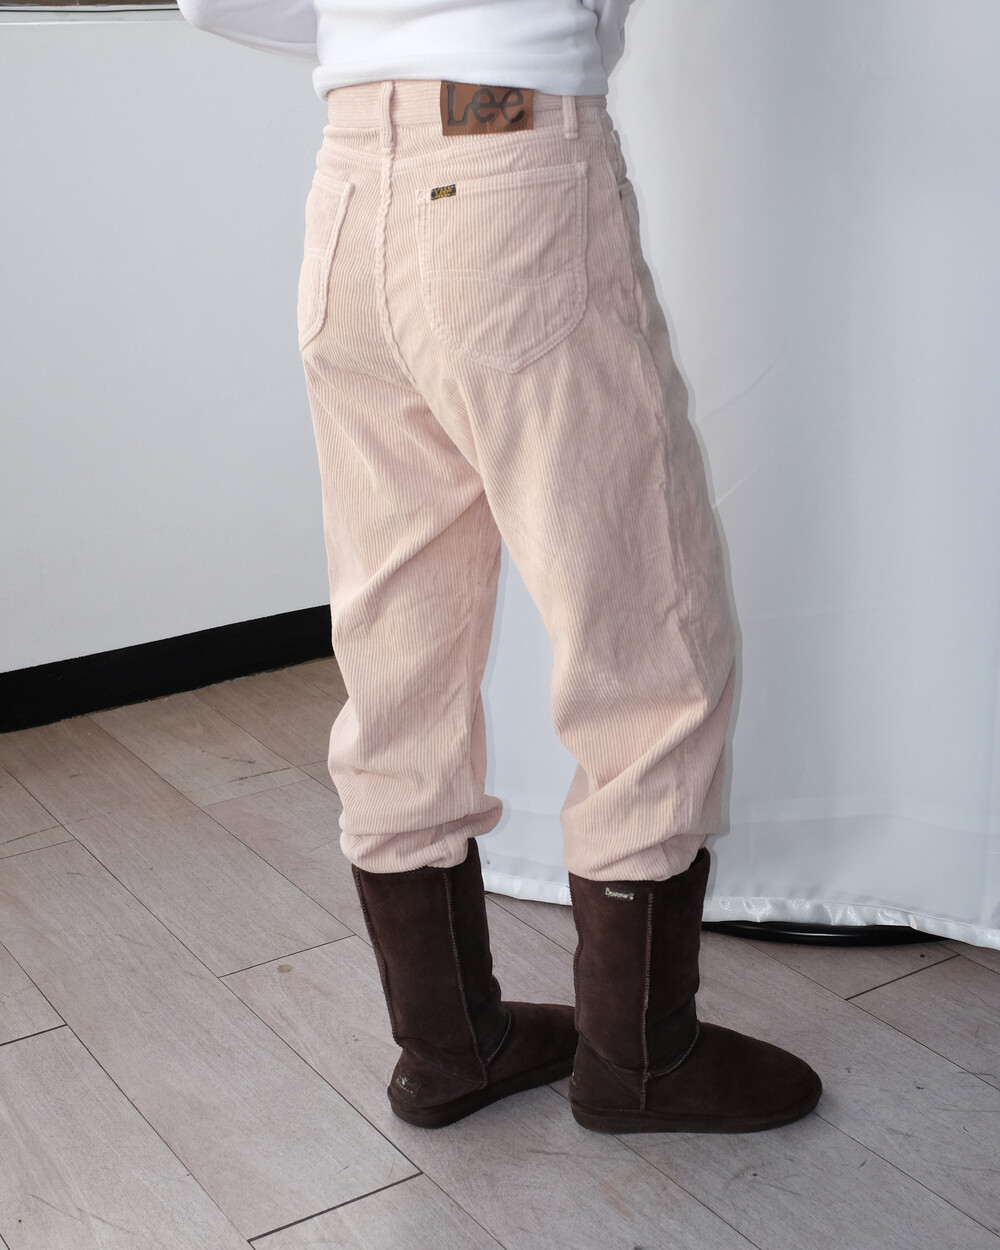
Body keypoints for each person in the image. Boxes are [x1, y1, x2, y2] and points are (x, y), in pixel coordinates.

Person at [176, 0, 822, 1134]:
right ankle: (641, 1057)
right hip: (509, 162)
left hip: (350, 185)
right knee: (646, 633)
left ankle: (447, 1046)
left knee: (398, 647)